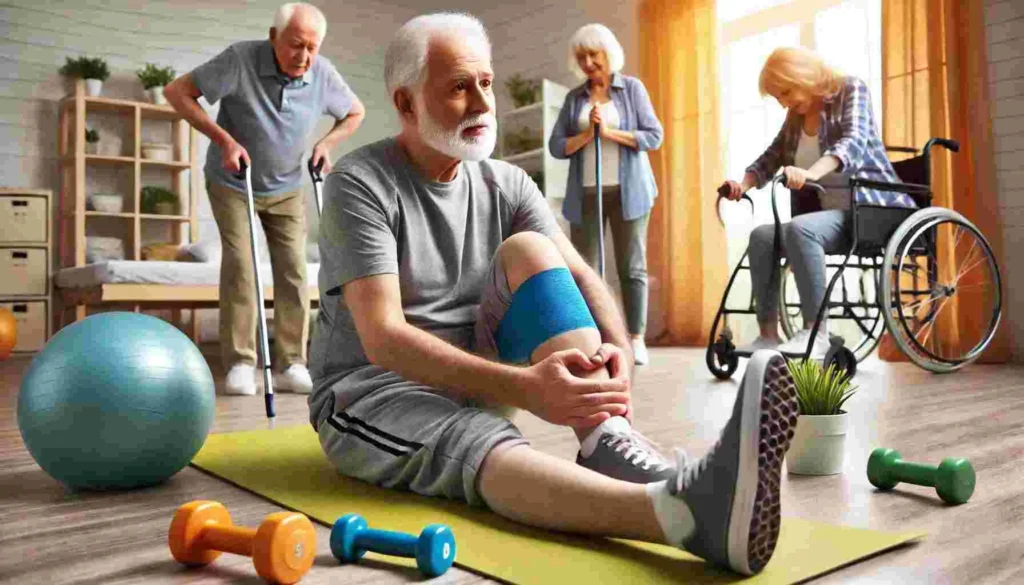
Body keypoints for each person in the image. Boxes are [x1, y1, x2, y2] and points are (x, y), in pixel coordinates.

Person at [309, 12, 798, 576]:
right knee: (478, 437)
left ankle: (608, 441)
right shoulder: (360, 182)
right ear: (406, 103)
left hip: (475, 369)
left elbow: (582, 274)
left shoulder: (506, 182)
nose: (483, 104)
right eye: (459, 88)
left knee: (533, 249)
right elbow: (386, 340)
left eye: (486, 83)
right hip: (374, 391)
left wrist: (614, 360)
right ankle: (679, 515)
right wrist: (526, 388)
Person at [165, 3, 366, 395]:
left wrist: (327, 142)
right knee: (241, 264)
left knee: (293, 269)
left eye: (312, 47)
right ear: (273, 37)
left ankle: (292, 361)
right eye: (295, 45)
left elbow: (354, 112)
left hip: (288, 187)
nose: (304, 57)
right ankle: (241, 362)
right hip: (234, 181)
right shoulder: (240, 59)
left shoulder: (321, 74)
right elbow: (178, 92)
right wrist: (223, 140)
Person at [719, 47, 912, 358]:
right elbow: (773, 156)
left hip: (873, 208)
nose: (783, 102)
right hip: (833, 214)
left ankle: (816, 332)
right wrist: (743, 185)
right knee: (762, 237)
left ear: (802, 76)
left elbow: (853, 143)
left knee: (800, 229)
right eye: (778, 97)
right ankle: (768, 336)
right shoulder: (796, 116)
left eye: (785, 92)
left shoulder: (851, 89)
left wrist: (809, 174)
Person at [549, 24, 663, 366]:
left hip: (630, 192)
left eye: (593, 54)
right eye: (581, 57)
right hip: (585, 193)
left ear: (607, 54)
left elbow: (654, 136)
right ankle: (596, 338)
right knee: (586, 270)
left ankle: (636, 338)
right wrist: (587, 135)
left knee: (631, 266)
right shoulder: (574, 100)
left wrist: (610, 132)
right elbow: (556, 145)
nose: (587, 62)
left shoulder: (631, 89)